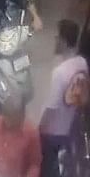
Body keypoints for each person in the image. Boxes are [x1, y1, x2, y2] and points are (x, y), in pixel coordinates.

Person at [40, 20, 89, 177]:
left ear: (63, 41)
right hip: (69, 128)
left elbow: (51, 108)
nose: (54, 40)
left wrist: (39, 129)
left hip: (52, 133)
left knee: (47, 168)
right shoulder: (82, 63)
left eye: (56, 37)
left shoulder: (59, 73)